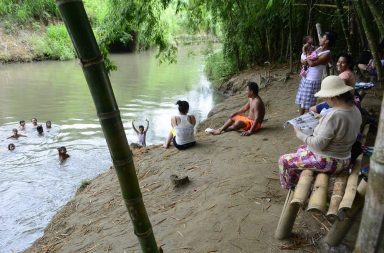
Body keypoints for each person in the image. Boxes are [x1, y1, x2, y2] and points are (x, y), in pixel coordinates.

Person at [279, 76, 362, 190]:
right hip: (345, 157)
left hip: (330, 161)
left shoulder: (335, 116)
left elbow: (318, 144)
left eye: (326, 98)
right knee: (302, 148)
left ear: (333, 98)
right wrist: (322, 118)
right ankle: (300, 180)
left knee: (284, 160)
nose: (325, 101)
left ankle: (290, 187)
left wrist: (299, 133)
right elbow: (340, 126)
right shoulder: (354, 109)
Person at [296, 32, 335, 115]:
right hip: (306, 77)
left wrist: (306, 52)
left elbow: (311, 63)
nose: (320, 39)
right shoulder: (319, 48)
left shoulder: (327, 54)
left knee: (309, 104)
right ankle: (300, 119)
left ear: (327, 41)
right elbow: (306, 60)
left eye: (322, 38)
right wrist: (305, 52)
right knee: (302, 100)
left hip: (312, 81)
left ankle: (306, 121)